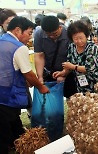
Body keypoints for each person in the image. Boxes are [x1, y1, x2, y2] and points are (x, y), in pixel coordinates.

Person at [0, 16, 49, 154]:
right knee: (4, 132)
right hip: (6, 96)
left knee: (13, 124)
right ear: (17, 30)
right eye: (29, 33)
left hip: (2, 96)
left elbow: (10, 66)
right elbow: (28, 73)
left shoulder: (2, 40)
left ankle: (18, 144)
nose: (30, 37)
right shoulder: (18, 47)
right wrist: (41, 86)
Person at [53, 21, 98, 93]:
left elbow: (88, 68)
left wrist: (73, 67)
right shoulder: (71, 47)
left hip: (97, 82)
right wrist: (63, 72)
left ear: (86, 36)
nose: (79, 41)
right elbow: (69, 64)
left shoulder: (92, 47)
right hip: (81, 83)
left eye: (81, 38)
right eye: (75, 38)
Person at [34, 15, 77, 98]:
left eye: (54, 34)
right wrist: (40, 77)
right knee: (50, 98)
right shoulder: (39, 34)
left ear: (60, 27)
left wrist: (64, 73)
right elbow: (39, 55)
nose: (52, 37)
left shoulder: (69, 33)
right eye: (48, 34)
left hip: (68, 71)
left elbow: (73, 56)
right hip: (49, 72)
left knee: (71, 97)